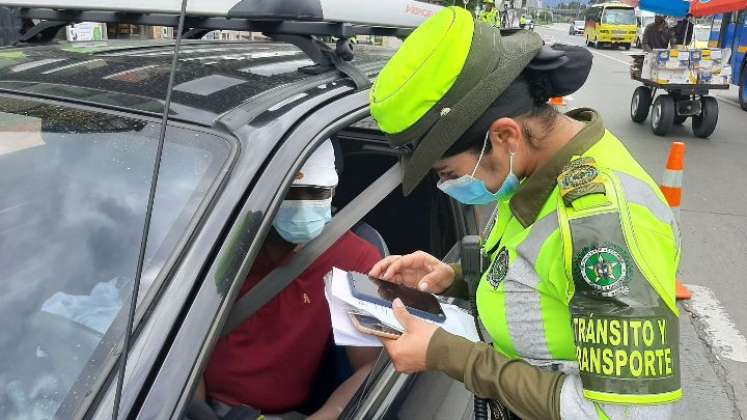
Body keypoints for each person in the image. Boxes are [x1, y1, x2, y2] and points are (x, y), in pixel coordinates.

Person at [368, 7, 681, 420]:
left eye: (447, 172)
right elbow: (539, 278)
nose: (448, 187)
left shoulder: (602, 227)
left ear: (504, 136)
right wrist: (456, 280)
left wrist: (451, 357)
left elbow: (626, 413)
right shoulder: (536, 172)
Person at [201, 141, 381, 419]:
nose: (301, 206)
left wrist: (325, 415)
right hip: (189, 399)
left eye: (314, 193)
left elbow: (373, 367)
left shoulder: (359, 259)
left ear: (332, 191)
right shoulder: (221, 245)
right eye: (290, 194)